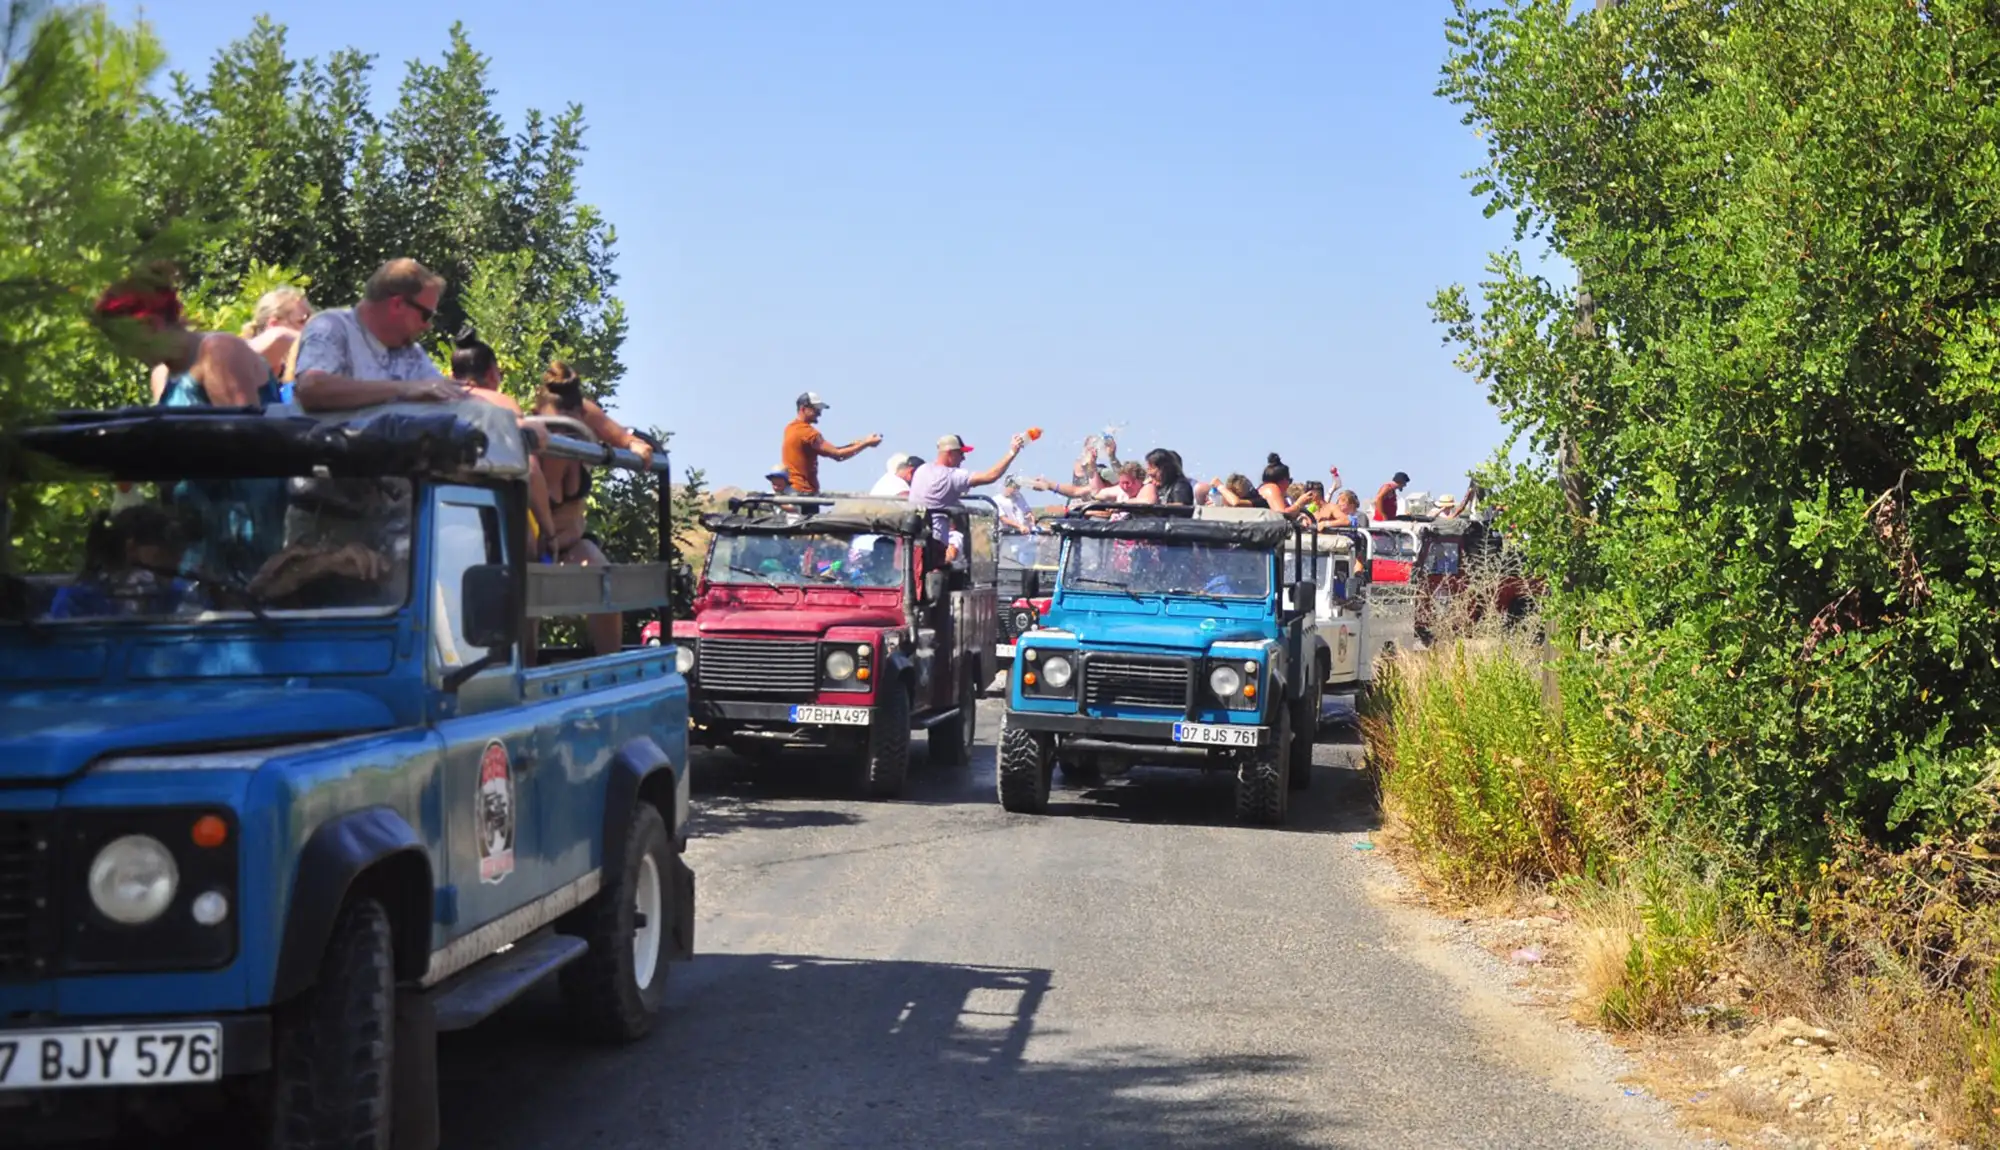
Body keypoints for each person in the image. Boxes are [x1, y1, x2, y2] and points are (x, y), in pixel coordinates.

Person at [532, 362, 654, 657]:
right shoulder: (529, 433)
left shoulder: (587, 414)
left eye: (569, 429)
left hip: (573, 545)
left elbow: (628, 440)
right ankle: (524, 672)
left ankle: (608, 667)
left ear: (580, 417)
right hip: (533, 548)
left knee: (605, 581)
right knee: (523, 598)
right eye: (555, 427)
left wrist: (638, 447)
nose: (562, 435)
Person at [293, 259, 469, 411]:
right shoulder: (332, 326)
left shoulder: (410, 351)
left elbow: (448, 394)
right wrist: (403, 389)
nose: (428, 326)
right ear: (397, 305)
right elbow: (312, 388)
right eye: (426, 315)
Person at [450, 328, 558, 557]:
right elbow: (531, 468)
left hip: (436, 516)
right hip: (486, 520)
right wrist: (549, 532)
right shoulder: (501, 403)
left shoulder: (432, 396)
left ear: (452, 375)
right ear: (491, 374)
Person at [96, 273, 269, 409]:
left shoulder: (218, 351)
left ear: (151, 325)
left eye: (123, 340)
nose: (124, 351)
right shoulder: (161, 375)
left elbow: (245, 439)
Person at [47, 504, 196, 619]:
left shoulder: (175, 592)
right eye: (162, 553)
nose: (175, 561)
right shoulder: (77, 599)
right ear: (131, 547)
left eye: (176, 553)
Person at [909, 432, 1029, 545]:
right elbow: (990, 476)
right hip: (934, 543)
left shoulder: (922, 470)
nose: (963, 458)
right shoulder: (950, 476)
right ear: (950, 453)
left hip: (914, 538)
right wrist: (1013, 452)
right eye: (961, 453)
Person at [781, 392, 882, 495]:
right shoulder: (808, 433)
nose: (819, 414)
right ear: (803, 409)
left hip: (792, 489)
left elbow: (830, 449)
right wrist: (866, 444)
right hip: (804, 492)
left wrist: (858, 443)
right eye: (816, 410)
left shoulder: (790, 428)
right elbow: (838, 455)